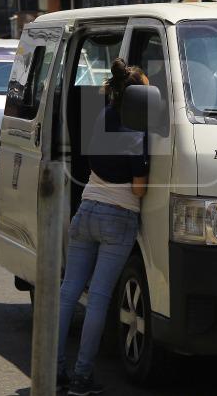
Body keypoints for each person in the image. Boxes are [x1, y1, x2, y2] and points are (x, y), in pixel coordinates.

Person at [57, 59, 150, 395]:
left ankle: (54, 370)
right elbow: (139, 188)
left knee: (68, 293)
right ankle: (82, 377)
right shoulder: (138, 129)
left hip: (87, 209)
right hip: (118, 216)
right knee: (97, 299)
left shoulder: (103, 116)